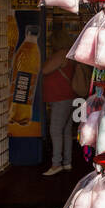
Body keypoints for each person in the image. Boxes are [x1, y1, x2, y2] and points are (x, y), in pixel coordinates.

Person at [40, 33, 84, 175]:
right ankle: (67, 162)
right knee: (65, 131)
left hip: (60, 99)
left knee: (55, 130)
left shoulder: (61, 54)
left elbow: (44, 69)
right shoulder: (69, 55)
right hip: (68, 97)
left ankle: (56, 164)